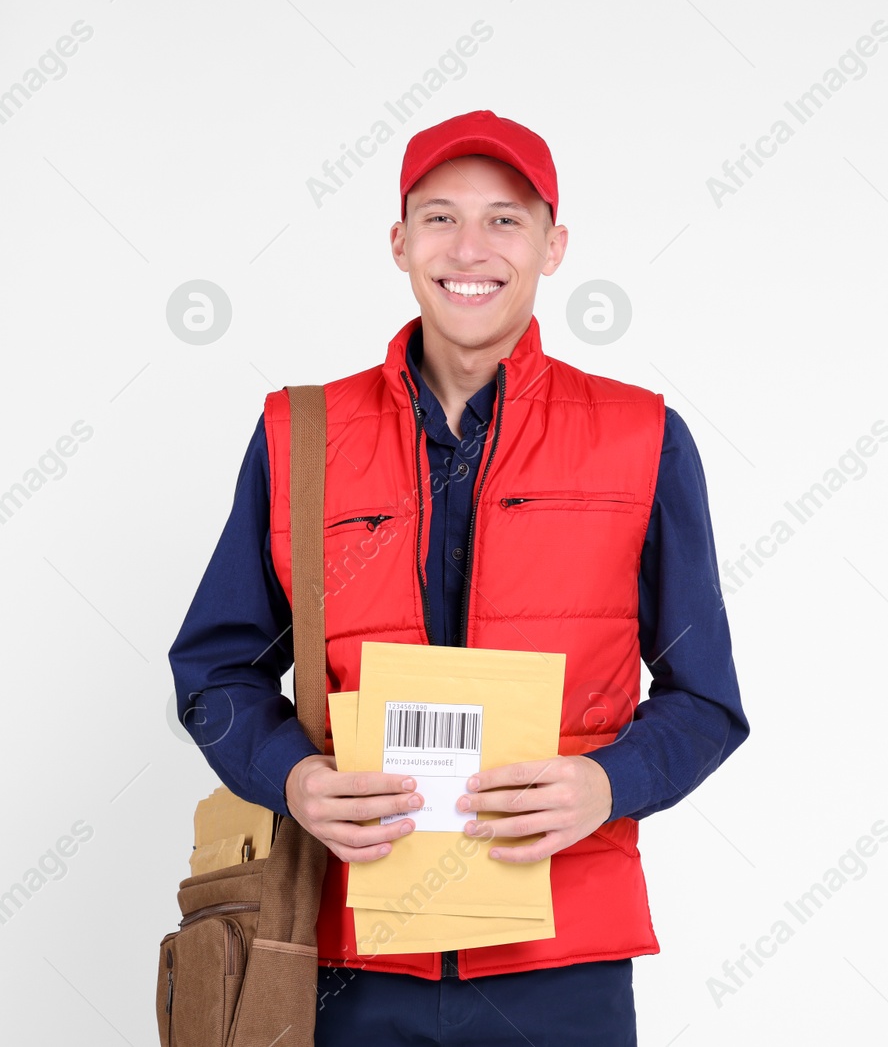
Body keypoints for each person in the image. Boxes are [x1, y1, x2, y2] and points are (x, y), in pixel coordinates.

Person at [169, 109, 750, 1045]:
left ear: (554, 245)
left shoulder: (643, 439)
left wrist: (609, 782)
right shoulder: (299, 434)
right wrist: (293, 778)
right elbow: (214, 671)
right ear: (399, 242)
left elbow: (708, 700)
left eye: (505, 219)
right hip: (344, 955)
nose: (469, 247)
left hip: (562, 958)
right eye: (440, 217)